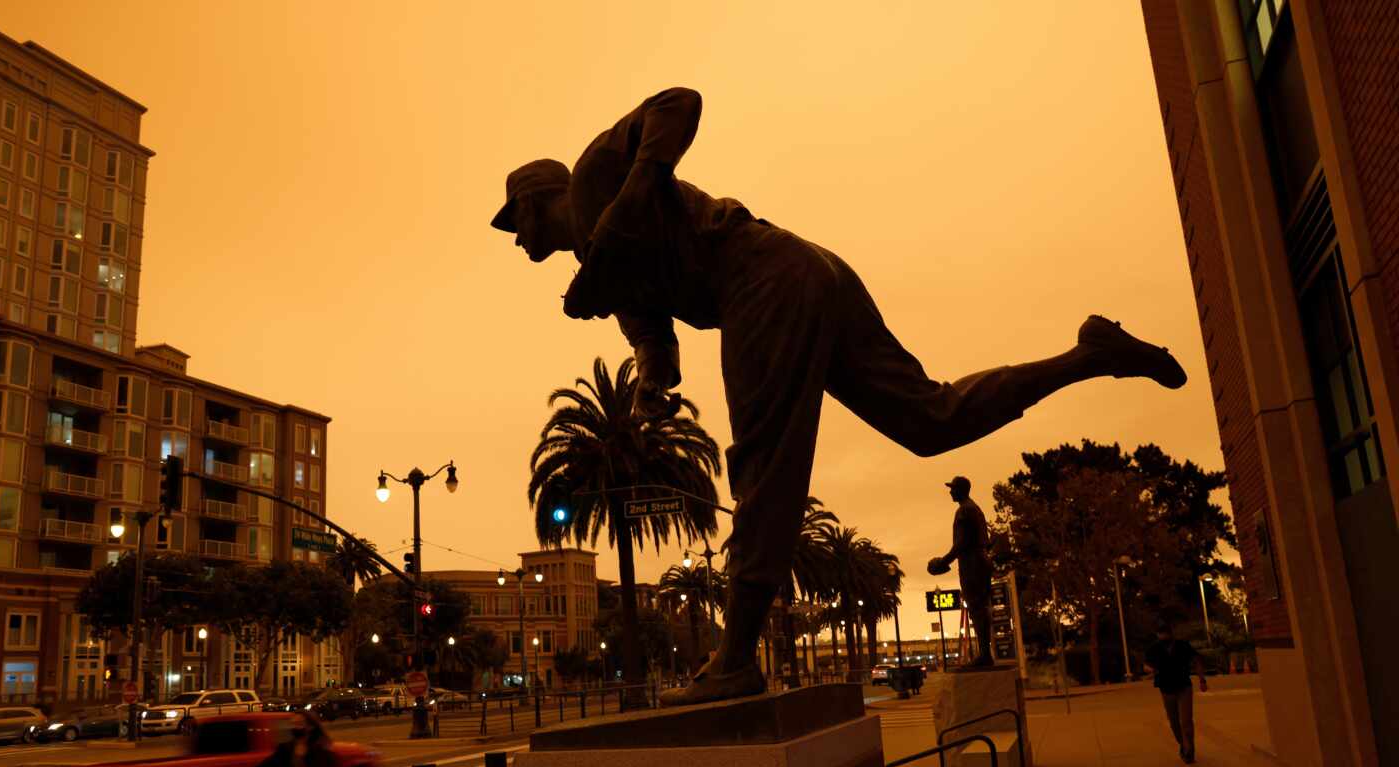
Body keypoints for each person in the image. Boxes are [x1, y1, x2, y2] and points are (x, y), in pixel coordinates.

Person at [493, 87, 1188, 706]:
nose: (516, 237)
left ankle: (734, 661)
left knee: (764, 465)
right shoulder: (601, 273)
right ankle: (1089, 355)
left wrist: (631, 201)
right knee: (929, 419)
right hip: (802, 271)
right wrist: (648, 389)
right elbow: (658, 353)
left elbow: (681, 101)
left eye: (514, 220)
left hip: (760, 277)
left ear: (534, 198)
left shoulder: (591, 180)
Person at [927, 476, 996, 669]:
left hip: (972, 563)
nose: (950, 492)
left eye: (953, 488)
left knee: (977, 608)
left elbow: (962, 543)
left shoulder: (965, 510)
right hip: (979, 561)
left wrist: (942, 562)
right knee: (980, 607)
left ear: (961, 490)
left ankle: (984, 655)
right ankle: (984, 654)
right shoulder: (975, 509)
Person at [1144, 630, 1208, 763]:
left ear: (1172, 633)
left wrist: (1202, 680)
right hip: (1166, 689)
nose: (1163, 635)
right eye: (1161, 633)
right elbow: (1146, 665)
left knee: (1186, 720)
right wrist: (1152, 670)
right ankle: (1183, 744)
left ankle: (1189, 750)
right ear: (1158, 634)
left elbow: (1196, 660)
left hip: (1184, 686)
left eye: (1166, 632)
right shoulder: (1154, 648)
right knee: (1174, 722)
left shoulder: (1183, 645)